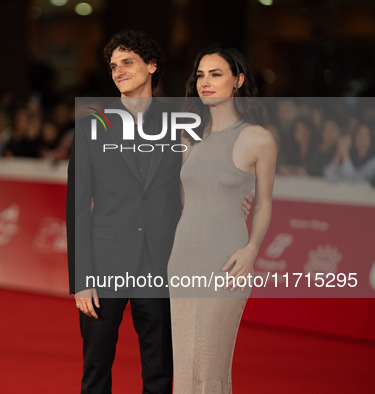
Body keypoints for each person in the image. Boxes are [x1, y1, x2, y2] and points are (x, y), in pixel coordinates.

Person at [66, 31, 253, 394]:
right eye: (113, 66)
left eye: (128, 62)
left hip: (163, 264)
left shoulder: (184, 123)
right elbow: (76, 204)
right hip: (104, 265)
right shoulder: (92, 124)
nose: (118, 71)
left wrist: (240, 198)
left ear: (151, 66)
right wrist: (81, 278)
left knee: (161, 372)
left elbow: (210, 179)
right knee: (96, 370)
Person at [167, 44, 277, 393]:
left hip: (227, 261)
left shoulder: (258, 138)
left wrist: (252, 249)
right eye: (200, 75)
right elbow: (186, 198)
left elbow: (263, 203)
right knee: (185, 365)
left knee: (210, 364)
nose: (205, 82)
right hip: (182, 258)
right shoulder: (189, 137)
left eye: (216, 74)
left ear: (238, 80)